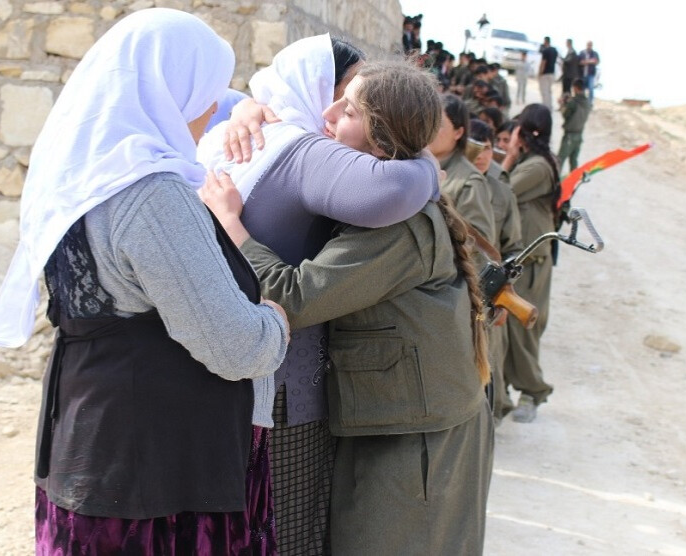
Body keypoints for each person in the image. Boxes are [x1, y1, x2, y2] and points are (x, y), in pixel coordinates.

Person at [0, 10, 291, 554]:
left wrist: (242, 104)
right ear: (171, 89)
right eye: (203, 92)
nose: (208, 111)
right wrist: (275, 324)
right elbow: (234, 346)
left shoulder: (82, 173)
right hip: (157, 477)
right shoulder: (150, 196)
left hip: (90, 446)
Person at [202, 60, 495, 556]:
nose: (331, 111)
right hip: (416, 425)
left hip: (417, 441)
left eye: (351, 108)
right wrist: (248, 108)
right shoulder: (399, 195)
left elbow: (291, 296)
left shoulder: (394, 227)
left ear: (381, 144)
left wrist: (231, 224)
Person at [499, 103, 560, 423]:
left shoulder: (537, 167)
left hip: (532, 262)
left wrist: (508, 156)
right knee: (506, 328)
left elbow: (502, 189)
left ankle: (534, 392)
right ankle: (507, 390)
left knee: (523, 329)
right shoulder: (533, 161)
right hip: (522, 259)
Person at [466, 119, 524, 423]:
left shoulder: (502, 193)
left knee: (490, 360)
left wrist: (506, 291)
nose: (482, 154)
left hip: (491, 294)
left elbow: (513, 245)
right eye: (476, 147)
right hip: (460, 293)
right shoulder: (453, 185)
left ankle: (494, 415)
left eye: (488, 147)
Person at [428, 94, 497, 257]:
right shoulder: (417, 165)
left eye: (438, 124)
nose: (428, 129)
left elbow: (481, 244)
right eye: (425, 121)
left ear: (458, 132)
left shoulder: (469, 182)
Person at [557, 78, 591, 174]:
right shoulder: (587, 102)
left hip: (569, 136)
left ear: (575, 88)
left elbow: (565, 115)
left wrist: (562, 105)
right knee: (573, 161)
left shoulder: (573, 102)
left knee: (560, 160)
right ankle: (573, 184)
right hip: (579, 135)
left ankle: (554, 184)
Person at [538, 36, 558, 108]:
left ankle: (545, 107)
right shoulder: (555, 50)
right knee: (549, 91)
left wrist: (540, 73)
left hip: (545, 74)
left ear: (545, 41)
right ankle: (550, 106)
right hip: (552, 73)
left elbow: (543, 63)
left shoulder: (545, 51)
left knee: (544, 92)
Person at [579, 40, 600, 105]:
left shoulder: (594, 53)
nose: (589, 46)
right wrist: (590, 61)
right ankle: (583, 102)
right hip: (583, 74)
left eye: (590, 45)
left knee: (591, 89)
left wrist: (586, 61)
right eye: (588, 44)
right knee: (582, 89)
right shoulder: (582, 52)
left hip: (591, 74)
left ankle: (590, 103)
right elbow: (580, 62)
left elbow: (596, 61)